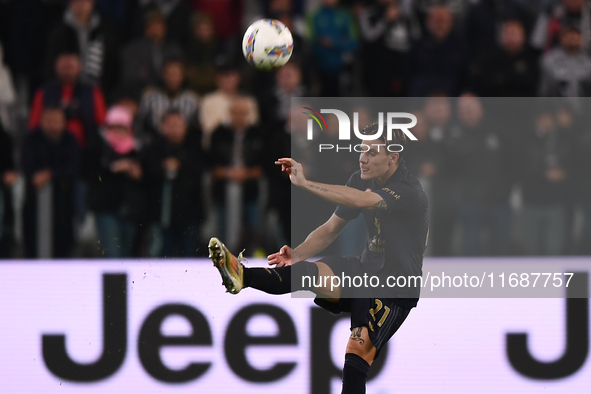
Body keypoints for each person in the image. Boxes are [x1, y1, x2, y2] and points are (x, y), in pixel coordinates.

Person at [208, 123, 428, 394]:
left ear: (393, 157)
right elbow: (330, 229)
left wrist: (306, 183)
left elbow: (361, 201)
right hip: (363, 272)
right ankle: (243, 275)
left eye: (372, 152)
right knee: (307, 273)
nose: (362, 158)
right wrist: (297, 254)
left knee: (356, 354)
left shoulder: (410, 190)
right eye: (361, 150)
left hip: (395, 287)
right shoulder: (361, 179)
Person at [143, 110, 205, 257]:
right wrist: (164, 167)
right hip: (161, 216)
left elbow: (200, 169)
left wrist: (180, 165)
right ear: (162, 127)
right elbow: (147, 172)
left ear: (185, 127)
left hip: (189, 216)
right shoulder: (154, 148)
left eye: (178, 125)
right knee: (161, 255)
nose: (174, 129)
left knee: (188, 256)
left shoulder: (194, 148)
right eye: (170, 125)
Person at [21, 106, 81, 258]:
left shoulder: (70, 139)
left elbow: (74, 168)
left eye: (56, 121)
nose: (52, 125)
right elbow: (26, 166)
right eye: (49, 121)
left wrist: (50, 174)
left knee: (63, 245)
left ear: (63, 122)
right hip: (34, 199)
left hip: (64, 201)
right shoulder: (31, 139)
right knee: (33, 242)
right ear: (41, 121)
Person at [85, 105, 144, 258]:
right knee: (113, 255)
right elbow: (90, 173)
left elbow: (146, 177)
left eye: (122, 127)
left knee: (127, 256)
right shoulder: (98, 147)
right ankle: (115, 284)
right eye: (114, 127)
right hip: (106, 209)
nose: (118, 131)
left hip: (130, 210)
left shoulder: (138, 149)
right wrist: (113, 168)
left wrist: (135, 171)